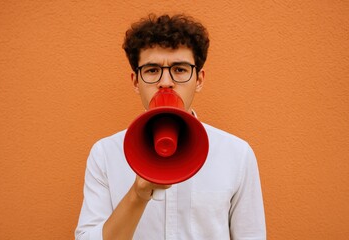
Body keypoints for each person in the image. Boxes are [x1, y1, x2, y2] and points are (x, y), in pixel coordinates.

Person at [75, 14, 266, 240]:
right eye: (152, 70)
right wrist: (138, 194)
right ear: (136, 81)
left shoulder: (236, 154)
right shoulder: (105, 154)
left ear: (199, 80)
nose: (166, 82)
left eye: (180, 69)